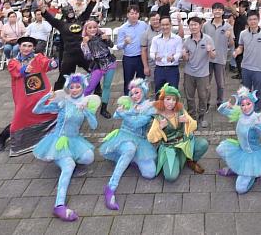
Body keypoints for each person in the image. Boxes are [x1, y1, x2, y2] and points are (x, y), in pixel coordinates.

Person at [32, 73, 100, 222]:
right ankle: (59, 205)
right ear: (68, 88)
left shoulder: (85, 102)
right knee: (69, 165)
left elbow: (94, 126)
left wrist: (86, 111)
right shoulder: (63, 102)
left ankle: (67, 161)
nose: (75, 89)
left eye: (78, 87)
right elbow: (36, 110)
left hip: (74, 140)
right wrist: (46, 96)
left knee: (89, 158)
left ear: (83, 87)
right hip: (59, 140)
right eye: (72, 87)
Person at [0, 36, 58, 155]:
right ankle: (2, 138)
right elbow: (16, 70)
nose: (26, 48)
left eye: (29, 46)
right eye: (24, 46)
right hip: (24, 96)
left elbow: (46, 64)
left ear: (33, 48)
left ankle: (46, 139)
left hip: (41, 94)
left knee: (51, 113)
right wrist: (24, 69)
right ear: (19, 47)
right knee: (20, 117)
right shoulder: (13, 61)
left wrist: (53, 63)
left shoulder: (38, 58)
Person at [99, 78, 157, 211]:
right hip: (124, 137)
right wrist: (121, 110)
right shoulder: (128, 103)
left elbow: (137, 123)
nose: (134, 96)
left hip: (140, 141)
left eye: (137, 92)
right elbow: (115, 115)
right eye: (132, 94)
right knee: (130, 148)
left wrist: (124, 114)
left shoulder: (149, 107)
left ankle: (131, 160)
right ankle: (111, 187)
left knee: (150, 173)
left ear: (143, 91)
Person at [216, 86, 261, 194]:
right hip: (241, 150)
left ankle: (254, 173)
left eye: (248, 104)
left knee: (240, 189)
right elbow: (220, 110)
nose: (245, 107)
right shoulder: (239, 114)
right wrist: (227, 105)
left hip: (253, 155)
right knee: (220, 149)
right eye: (242, 105)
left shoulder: (257, 119)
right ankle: (236, 169)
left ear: (253, 104)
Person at [147, 83, 208, 181]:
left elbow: (194, 125)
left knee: (203, 144)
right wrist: (160, 128)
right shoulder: (159, 117)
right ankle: (178, 159)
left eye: (174, 100)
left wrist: (187, 121)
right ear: (162, 100)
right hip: (170, 148)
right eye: (168, 99)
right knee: (171, 177)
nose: (171, 102)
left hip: (184, 143)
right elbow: (151, 138)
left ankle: (189, 160)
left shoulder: (180, 111)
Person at [42, 0, 98, 90]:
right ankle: (56, 95)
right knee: (63, 76)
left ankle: (98, 93)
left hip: (82, 53)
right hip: (69, 55)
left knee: (94, 72)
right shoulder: (60, 24)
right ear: (64, 13)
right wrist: (42, 9)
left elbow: (87, 11)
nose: (70, 12)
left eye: (71, 10)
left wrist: (93, 1)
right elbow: (49, 17)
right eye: (67, 11)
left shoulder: (80, 20)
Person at [233, 11, 261, 112]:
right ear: (247, 21)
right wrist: (237, 52)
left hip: (259, 69)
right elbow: (241, 47)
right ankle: (246, 111)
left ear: (258, 19)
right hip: (246, 67)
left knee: (257, 92)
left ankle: (256, 112)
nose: (253, 22)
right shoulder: (243, 34)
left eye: (255, 19)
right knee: (245, 92)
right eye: (250, 19)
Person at [182, 16, 213, 128]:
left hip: (203, 74)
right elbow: (186, 59)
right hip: (189, 73)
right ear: (189, 27)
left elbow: (213, 56)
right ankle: (192, 117)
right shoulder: (186, 41)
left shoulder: (208, 39)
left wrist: (210, 51)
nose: (193, 27)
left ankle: (202, 117)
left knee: (203, 97)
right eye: (191, 25)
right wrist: (185, 56)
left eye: (196, 24)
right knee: (189, 97)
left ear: (200, 26)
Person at [80, 20, 115, 119]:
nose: (92, 29)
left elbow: (111, 45)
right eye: (90, 27)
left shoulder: (102, 36)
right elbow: (87, 57)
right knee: (90, 87)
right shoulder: (84, 41)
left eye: (94, 27)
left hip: (110, 62)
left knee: (107, 86)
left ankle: (103, 109)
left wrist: (107, 39)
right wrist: (85, 44)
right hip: (97, 65)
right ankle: (81, 106)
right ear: (86, 29)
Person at [203, 2, 233, 109]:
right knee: (206, 84)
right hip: (207, 59)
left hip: (220, 59)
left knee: (220, 84)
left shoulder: (228, 26)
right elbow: (202, 40)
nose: (217, 11)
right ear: (212, 11)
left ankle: (220, 102)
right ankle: (206, 103)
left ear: (223, 12)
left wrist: (229, 37)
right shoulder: (206, 25)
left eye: (219, 9)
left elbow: (231, 44)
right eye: (215, 9)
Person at [117, 5, 150, 94]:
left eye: (136, 13)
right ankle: (127, 101)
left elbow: (149, 36)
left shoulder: (143, 25)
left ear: (139, 14)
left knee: (141, 81)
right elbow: (118, 46)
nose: (134, 16)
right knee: (128, 81)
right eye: (131, 13)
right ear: (127, 15)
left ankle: (141, 100)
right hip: (129, 58)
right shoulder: (122, 28)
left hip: (141, 57)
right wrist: (125, 42)